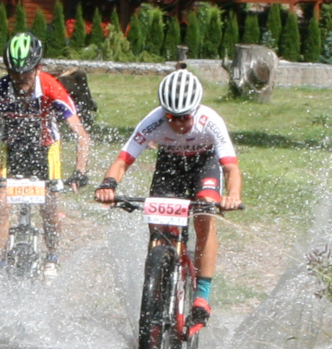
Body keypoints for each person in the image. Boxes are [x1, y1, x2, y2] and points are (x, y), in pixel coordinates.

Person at [93, 69, 242, 326]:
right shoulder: (153, 121)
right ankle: (157, 287)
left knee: (204, 213)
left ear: (194, 111)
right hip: (170, 166)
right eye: (171, 117)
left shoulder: (210, 121)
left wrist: (233, 195)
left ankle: (202, 295)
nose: (177, 124)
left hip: (203, 166)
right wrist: (108, 185)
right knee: (159, 228)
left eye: (184, 118)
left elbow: (230, 168)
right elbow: (122, 160)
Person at [0, 32, 92, 276]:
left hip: (46, 149)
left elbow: (82, 135)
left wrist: (80, 171)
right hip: (10, 149)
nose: (20, 79)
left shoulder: (52, 88)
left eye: (26, 73)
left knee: (49, 204)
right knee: (1, 204)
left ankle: (52, 258)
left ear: (38, 67)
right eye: (14, 74)